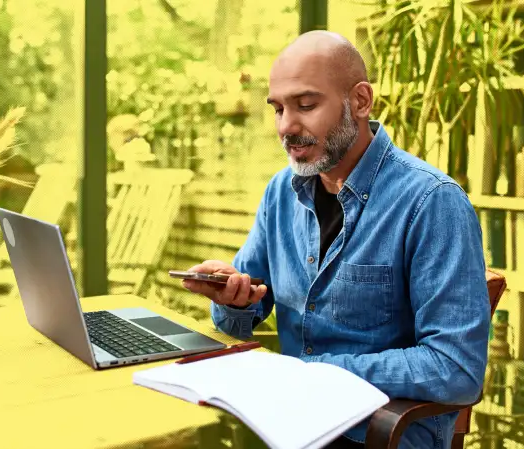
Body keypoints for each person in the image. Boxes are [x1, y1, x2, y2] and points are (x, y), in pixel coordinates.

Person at [181, 30, 490, 449]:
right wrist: (232, 300)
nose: (287, 127)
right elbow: (246, 312)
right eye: (278, 109)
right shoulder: (280, 192)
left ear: (361, 101)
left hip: (374, 434)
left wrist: (318, 373)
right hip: (290, 423)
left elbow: (457, 368)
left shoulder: (433, 203)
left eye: (306, 105)